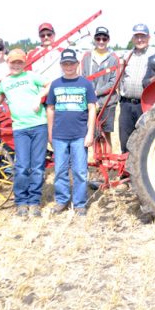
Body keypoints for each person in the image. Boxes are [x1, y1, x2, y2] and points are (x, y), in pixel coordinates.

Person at [0, 49, 50, 218]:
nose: (16, 65)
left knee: (37, 166)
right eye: (13, 62)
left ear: (24, 63)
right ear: (8, 63)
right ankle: (21, 201)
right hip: (20, 128)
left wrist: (38, 98)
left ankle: (34, 201)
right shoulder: (5, 82)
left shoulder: (31, 76)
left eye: (20, 62)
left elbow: (50, 84)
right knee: (21, 166)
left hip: (39, 125)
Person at [47, 48, 96, 216]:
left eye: (71, 63)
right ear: (61, 65)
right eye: (65, 63)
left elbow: (91, 108)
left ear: (77, 64)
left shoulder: (85, 84)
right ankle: (62, 201)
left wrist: (90, 133)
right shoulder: (55, 84)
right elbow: (51, 109)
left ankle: (80, 203)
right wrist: (50, 133)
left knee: (80, 171)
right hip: (60, 135)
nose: (68, 66)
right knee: (60, 170)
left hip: (79, 135)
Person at [80, 26, 120, 155]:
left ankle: (108, 160)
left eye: (104, 38)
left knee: (106, 133)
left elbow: (114, 82)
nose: (101, 41)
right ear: (94, 40)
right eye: (98, 38)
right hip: (90, 102)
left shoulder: (114, 58)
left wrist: (97, 93)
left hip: (107, 102)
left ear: (108, 40)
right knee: (94, 132)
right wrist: (90, 95)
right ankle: (98, 160)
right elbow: (83, 77)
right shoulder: (86, 57)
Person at [118, 23, 155, 153]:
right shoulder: (126, 55)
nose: (140, 40)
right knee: (125, 138)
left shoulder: (154, 55)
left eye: (143, 36)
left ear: (148, 38)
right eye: (137, 36)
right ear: (133, 38)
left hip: (145, 104)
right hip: (126, 103)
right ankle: (126, 170)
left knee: (145, 138)